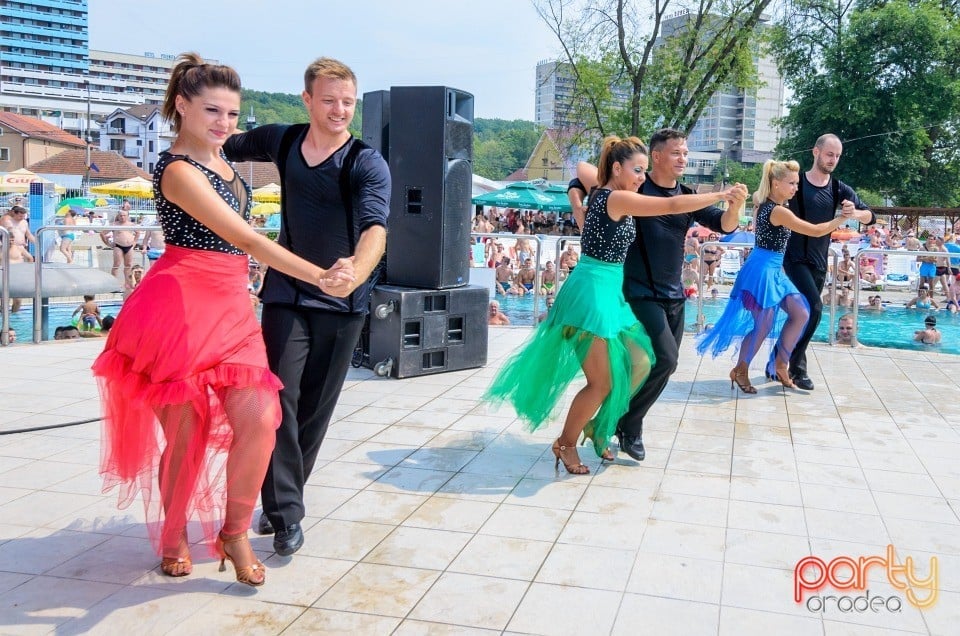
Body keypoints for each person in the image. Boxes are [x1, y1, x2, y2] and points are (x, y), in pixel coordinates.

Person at [92, 53, 356, 587]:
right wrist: (321, 275)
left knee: (260, 419)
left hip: (232, 310)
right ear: (182, 107)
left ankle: (234, 531)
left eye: (233, 115)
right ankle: (172, 535)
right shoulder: (178, 171)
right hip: (179, 311)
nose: (225, 123)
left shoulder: (227, 167)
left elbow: (247, 250)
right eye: (213, 110)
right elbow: (250, 239)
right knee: (186, 437)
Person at [486, 135, 742, 474]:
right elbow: (669, 205)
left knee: (640, 362)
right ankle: (565, 443)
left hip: (609, 293)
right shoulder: (615, 197)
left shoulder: (606, 193)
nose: (641, 178)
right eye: (637, 170)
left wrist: (577, 194)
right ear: (618, 168)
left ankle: (601, 426)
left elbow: (585, 171)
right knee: (602, 382)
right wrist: (721, 194)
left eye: (644, 171)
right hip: (590, 294)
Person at [223, 56, 389, 557]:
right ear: (308, 100)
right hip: (287, 294)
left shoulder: (365, 161)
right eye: (329, 100)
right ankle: (286, 514)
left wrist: (354, 273)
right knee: (278, 403)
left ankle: (281, 501)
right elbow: (224, 141)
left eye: (347, 102)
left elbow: (375, 228)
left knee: (314, 411)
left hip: (344, 301)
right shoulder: (283, 139)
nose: (339, 110)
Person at [576, 128, 748, 461]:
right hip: (638, 293)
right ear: (655, 157)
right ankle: (629, 424)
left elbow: (725, 225)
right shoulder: (637, 188)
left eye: (686, 153)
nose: (683, 158)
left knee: (662, 365)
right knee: (663, 358)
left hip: (673, 294)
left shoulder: (687, 192)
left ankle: (617, 422)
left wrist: (735, 205)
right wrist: (578, 192)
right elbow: (588, 175)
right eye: (676, 153)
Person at [697, 160, 848, 391]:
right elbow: (816, 231)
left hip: (773, 269)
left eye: (797, 183)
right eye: (791, 183)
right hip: (761, 270)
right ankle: (741, 370)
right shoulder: (777, 211)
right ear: (776, 184)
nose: (795, 188)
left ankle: (780, 364)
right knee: (764, 324)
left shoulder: (767, 206)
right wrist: (841, 219)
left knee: (801, 312)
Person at [776, 134, 874, 390]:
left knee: (801, 315)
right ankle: (796, 368)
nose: (833, 160)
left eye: (837, 156)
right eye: (829, 154)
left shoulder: (839, 188)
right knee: (814, 309)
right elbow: (770, 199)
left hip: (819, 263)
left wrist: (855, 212)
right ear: (816, 152)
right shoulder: (797, 184)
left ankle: (778, 358)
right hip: (793, 259)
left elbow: (870, 217)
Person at [100, 201, 140, 282]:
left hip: (129, 246)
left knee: (128, 265)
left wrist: (134, 242)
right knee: (116, 265)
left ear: (127, 216)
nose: (122, 217)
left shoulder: (131, 225)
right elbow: (102, 233)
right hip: (118, 246)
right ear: (118, 216)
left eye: (124, 215)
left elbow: (138, 233)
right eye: (121, 215)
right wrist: (108, 243)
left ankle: (128, 284)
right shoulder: (115, 224)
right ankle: (114, 284)